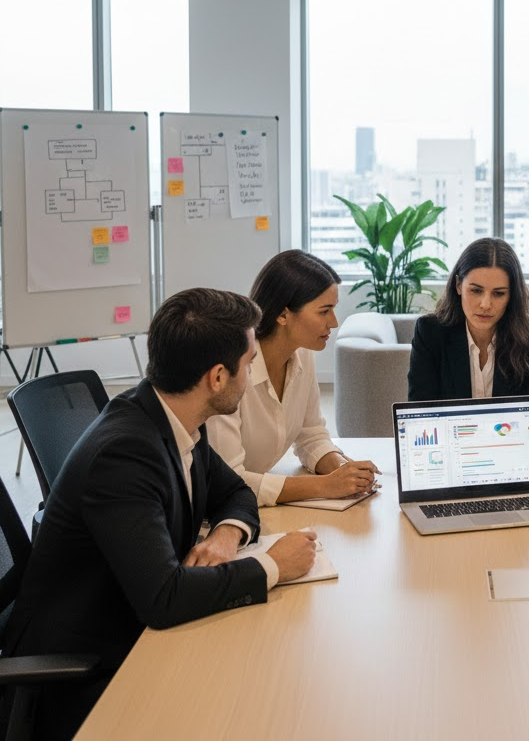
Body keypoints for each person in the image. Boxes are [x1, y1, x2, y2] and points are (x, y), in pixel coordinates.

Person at [5, 288, 318, 739]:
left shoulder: (173, 415)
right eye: (249, 364)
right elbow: (164, 599)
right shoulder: (124, 455)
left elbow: (235, 492)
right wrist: (273, 565)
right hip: (87, 671)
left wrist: (226, 535)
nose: (251, 376)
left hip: (133, 623)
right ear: (217, 377)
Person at [207, 250, 379, 507]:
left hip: (253, 507)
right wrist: (326, 485)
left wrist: (344, 470)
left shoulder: (302, 354)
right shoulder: (230, 371)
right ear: (283, 315)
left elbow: (311, 436)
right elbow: (228, 482)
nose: (334, 322)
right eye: (324, 311)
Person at [408, 237, 529, 421]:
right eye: (476, 291)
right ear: (458, 285)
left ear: (512, 295)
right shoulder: (430, 332)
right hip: (452, 439)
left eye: (499, 293)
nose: (486, 304)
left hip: (510, 438)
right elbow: (420, 411)